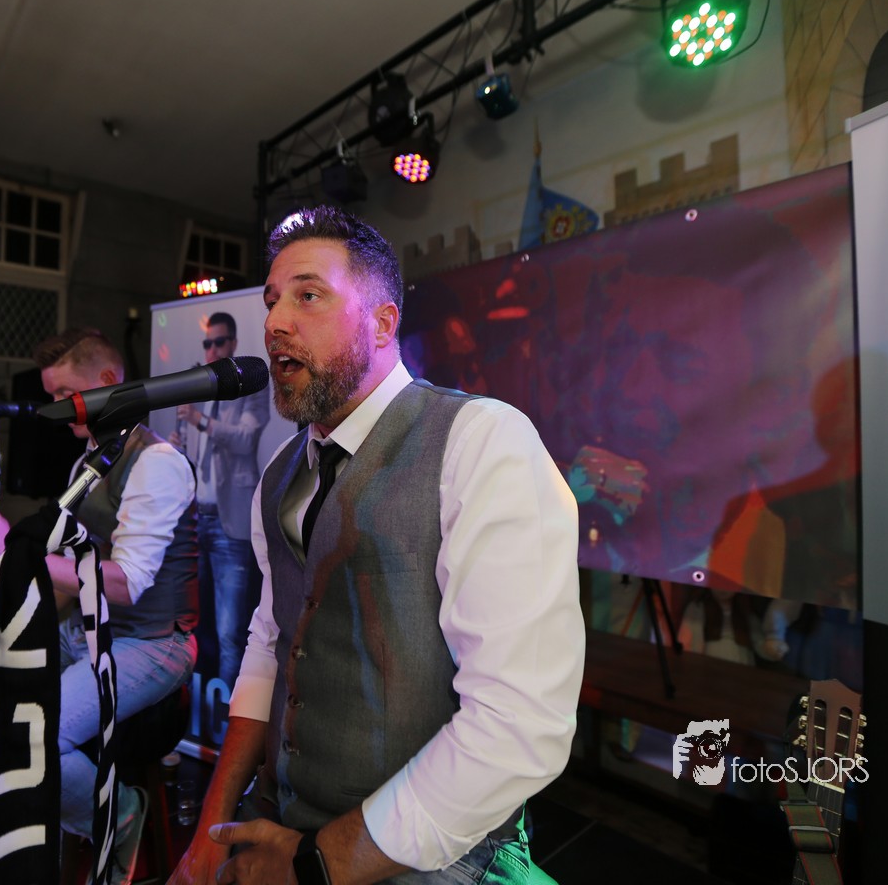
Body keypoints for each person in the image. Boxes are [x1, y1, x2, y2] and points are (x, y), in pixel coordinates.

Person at [170, 206, 583, 885]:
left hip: (433, 852)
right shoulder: (279, 475)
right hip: (283, 820)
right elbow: (272, 641)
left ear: (383, 323)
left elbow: (519, 725)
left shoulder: (480, 441)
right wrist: (211, 833)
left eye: (308, 295)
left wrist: (317, 863)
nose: (274, 323)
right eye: (271, 301)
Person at [0, 327, 198, 885]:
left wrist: (6, 546)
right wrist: (8, 641)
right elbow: (71, 578)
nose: (56, 407)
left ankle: (114, 814)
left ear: (107, 381)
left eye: (66, 393)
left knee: (27, 736)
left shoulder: (157, 463)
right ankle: (67, 808)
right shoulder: (85, 465)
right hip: (83, 631)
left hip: (150, 643)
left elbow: (126, 585)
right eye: (51, 395)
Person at [174, 311, 270, 684]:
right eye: (207, 343)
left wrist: (201, 422)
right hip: (197, 518)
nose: (212, 350)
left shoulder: (251, 387)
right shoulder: (199, 389)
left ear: (233, 344)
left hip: (230, 523)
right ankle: (194, 701)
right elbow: (196, 455)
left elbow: (246, 440)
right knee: (191, 621)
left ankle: (229, 712)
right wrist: (179, 445)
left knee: (230, 630)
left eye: (219, 342)